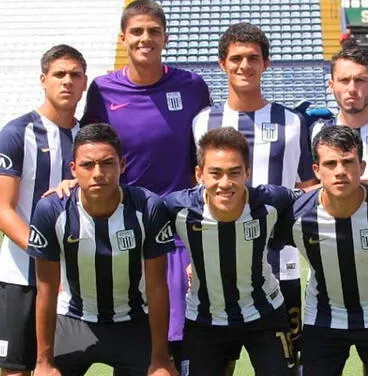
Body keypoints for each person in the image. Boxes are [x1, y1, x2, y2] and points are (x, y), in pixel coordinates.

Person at [80, 0, 211, 367]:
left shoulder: (191, 86)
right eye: (137, 31)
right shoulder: (102, 90)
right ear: (123, 37)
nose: (145, 38)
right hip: (126, 229)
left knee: (184, 340)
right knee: (133, 334)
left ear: (165, 37)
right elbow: (92, 149)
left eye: (153, 31)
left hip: (178, 233)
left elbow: (205, 154)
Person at [191, 22, 316, 371]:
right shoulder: (203, 122)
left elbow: (306, 188)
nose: (244, 66)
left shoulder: (292, 122)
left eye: (253, 58)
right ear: (222, 64)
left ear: (266, 64)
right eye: (236, 59)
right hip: (216, 268)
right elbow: (197, 189)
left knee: (286, 367)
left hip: (281, 266)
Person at [274, 126, 368, 376]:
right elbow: (255, 241)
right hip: (323, 317)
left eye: (348, 162)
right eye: (330, 164)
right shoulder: (297, 215)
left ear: (362, 167)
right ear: (316, 170)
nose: (340, 171)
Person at [27, 123, 176, 376]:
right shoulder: (51, 211)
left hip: (133, 321)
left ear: (122, 165)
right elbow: (46, 290)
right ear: (73, 169)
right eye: (87, 165)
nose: (98, 173)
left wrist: (160, 358)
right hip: (74, 319)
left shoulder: (148, 207)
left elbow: (157, 285)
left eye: (107, 163)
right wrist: (43, 362)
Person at [163, 128, 298, 376]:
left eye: (234, 173)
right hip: (205, 318)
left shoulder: (271, 201)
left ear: (247, 173)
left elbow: (322, 196)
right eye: (215, 173)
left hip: (265, 313)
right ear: (199, 174)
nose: (225, 183)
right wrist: (75, 186)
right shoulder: (176, 208)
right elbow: (133, 206)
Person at [0, 44, 87, 376]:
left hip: (72, 282)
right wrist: (45, 252)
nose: (67, 81)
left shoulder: (88, 139)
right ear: (43, 79)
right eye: (59, 74)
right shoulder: (16, 133)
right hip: (21, 276)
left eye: (75, 75)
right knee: (16, 369)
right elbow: (3, 210)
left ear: (84, 83)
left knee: (60, 369)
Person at [309, 47, 368, 342]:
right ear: (332, 84)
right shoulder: (314, 132)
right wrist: (364, 183)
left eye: (361, 80)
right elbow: (302, 189)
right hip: (328, 270)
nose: (352, 88)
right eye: (344, 80)